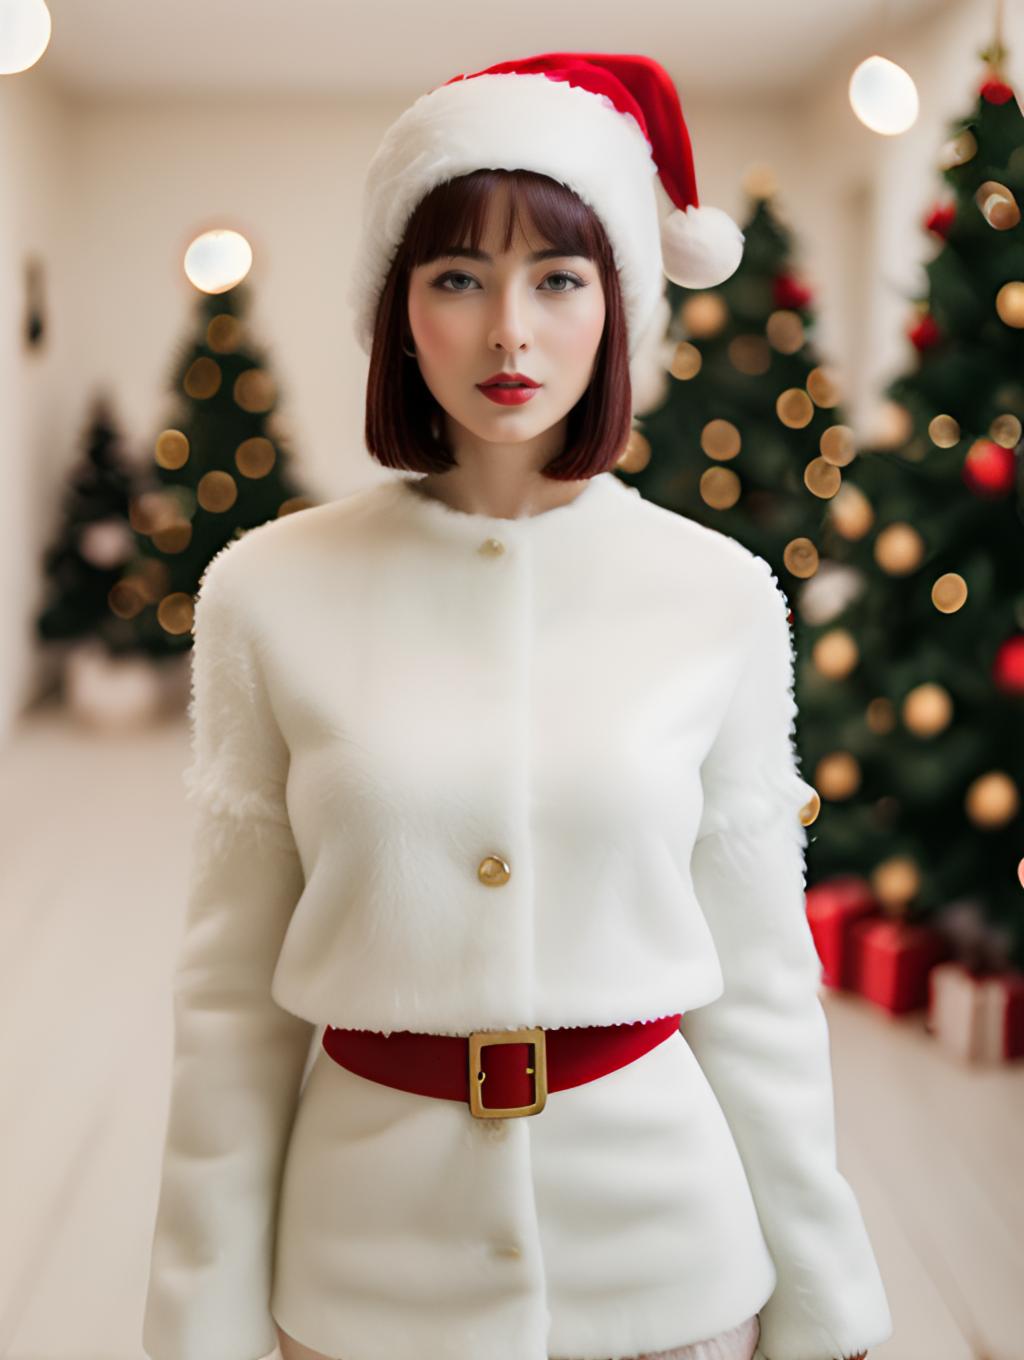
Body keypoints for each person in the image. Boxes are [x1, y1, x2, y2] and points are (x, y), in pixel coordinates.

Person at [141, 53, 892, 1360]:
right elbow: (229, 1010)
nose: (509, 334)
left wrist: (827, 1301)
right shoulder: (265, 591)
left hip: (670, 1268)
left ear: (619, 307)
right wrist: (199, 1320)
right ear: (398, 309)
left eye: (557, 278)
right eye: (457, 279)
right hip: (366, 1281)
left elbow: (765, 981)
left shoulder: (718, 595)